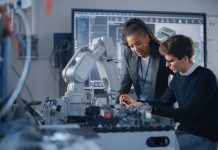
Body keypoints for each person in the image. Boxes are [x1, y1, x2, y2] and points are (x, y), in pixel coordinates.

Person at [120, 34, 218, 150]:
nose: (167, 65)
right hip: (183, 132)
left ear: (185, 59)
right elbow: (163, 101)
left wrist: (152, 109)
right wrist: (139, 103)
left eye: (170, 61)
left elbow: (187, 113)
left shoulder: (205, 77)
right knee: (143, 144)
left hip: (203, 138)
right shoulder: (177, 78)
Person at [118, 18, 172, 104]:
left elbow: (178, 78)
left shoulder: (162, 53)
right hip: (140, 106)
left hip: (161, 107)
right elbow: (126, 82)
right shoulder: (129, 54)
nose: (135, 49)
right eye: (132, 46)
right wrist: (119, 100)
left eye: (138, 43)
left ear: (147, 39)